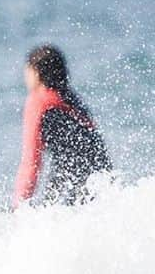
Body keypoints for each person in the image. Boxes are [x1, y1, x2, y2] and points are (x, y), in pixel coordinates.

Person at [12, 45, 112, 208]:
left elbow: (31, 162)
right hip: (100, 171)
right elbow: (92, 134)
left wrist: (18, 206)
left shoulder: (38, 101)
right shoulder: (69, 97)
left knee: (51, 215)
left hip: (70, 170)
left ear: (36, 72)